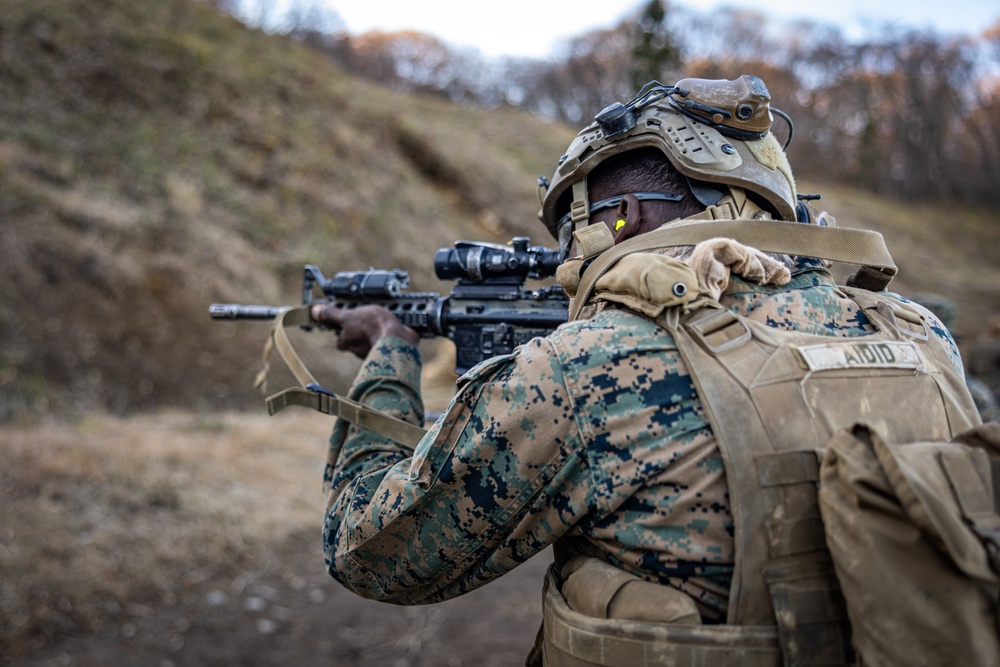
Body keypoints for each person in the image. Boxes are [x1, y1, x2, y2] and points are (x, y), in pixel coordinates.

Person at [311, 75, 981, 665]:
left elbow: (369, 549)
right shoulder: (921, 335)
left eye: (570, 236)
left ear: (619, 218)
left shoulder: (590, 366)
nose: (564, 264)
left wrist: (387, 351)